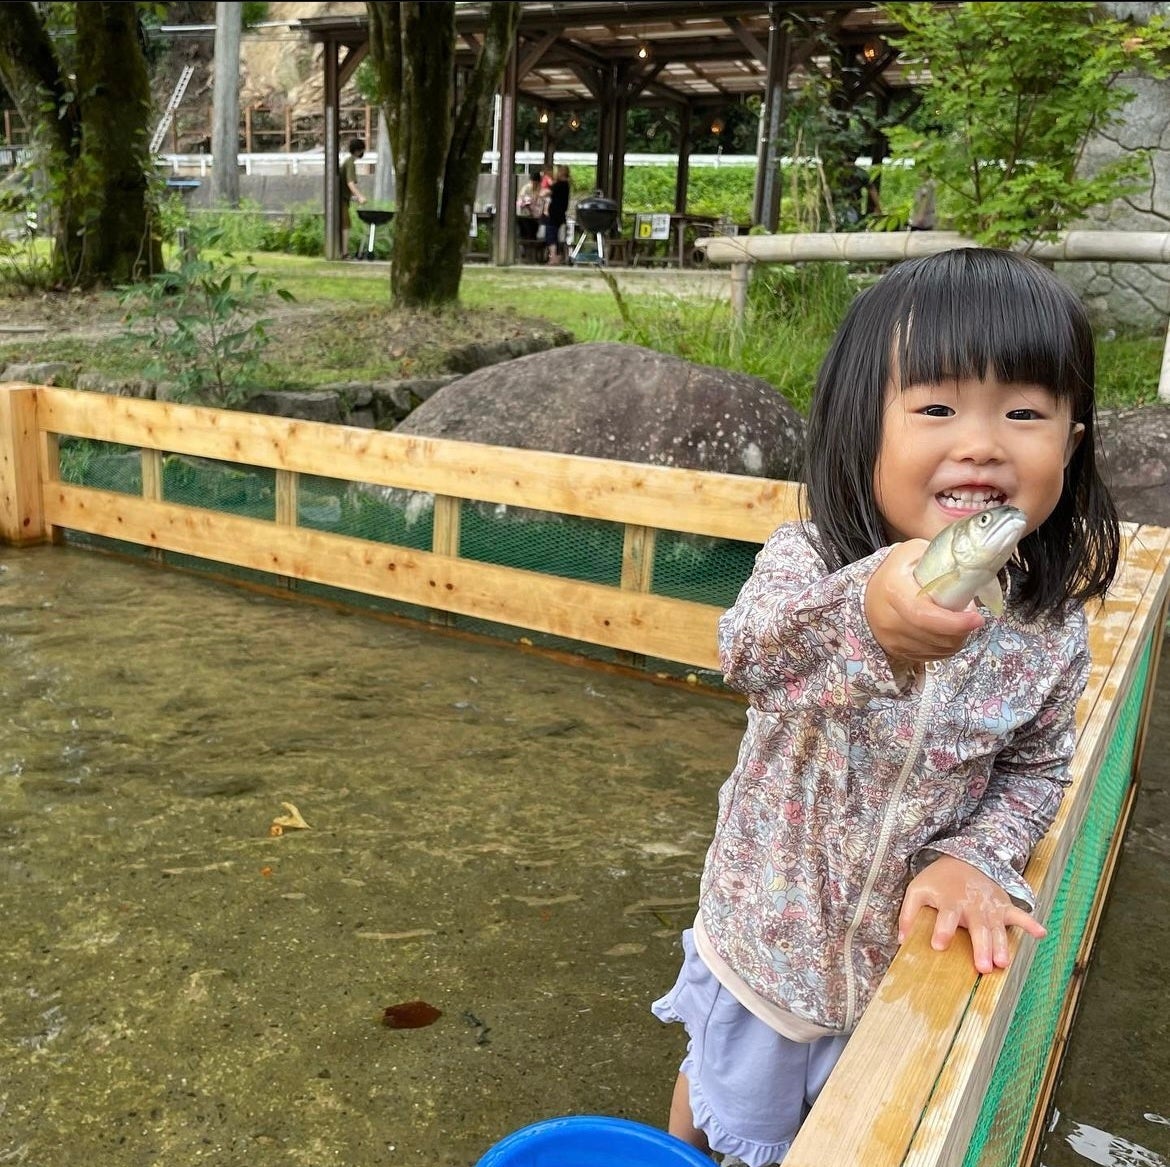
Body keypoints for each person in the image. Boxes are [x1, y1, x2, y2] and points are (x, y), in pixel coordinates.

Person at [651, 248, 1120, 1167]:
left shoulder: (1047, 626)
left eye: (1025, 412)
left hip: (894, 979)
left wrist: (972, 855)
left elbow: (1034, 768)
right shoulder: (811, 562)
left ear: (1071, 440)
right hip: (765, 943)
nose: (983, 443)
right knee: (719, 1092)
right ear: (865, 429)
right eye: (937, 408)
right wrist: (864, 616)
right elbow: (746, 654)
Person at [339, 137, 367, 258]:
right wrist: (360, 196)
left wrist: (353, 198)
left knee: (344, 224)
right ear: (358, 151)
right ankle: (344, 253)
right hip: (341, 200)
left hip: (343, 198)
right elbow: (350, 183)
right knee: (345, 224)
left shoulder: (347, 162)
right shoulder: (350, 164)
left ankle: (342, 251)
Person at [545, 164, 571, 265]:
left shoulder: (559, 184)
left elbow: (547, 191)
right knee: (558, 236)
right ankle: (558, 256)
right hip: (561, 213)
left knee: (551, 235)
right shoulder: (566, 185)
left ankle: (553, 257)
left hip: (554, 213)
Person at [515, 168, 545, 254]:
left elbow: (541, 201)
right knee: (524, 233)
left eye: (536, 182)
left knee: (533, 234)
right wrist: (527, 204)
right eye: (533, 182)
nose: (534, 184)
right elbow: (520, 200)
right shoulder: (526, 188)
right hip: (524, 215)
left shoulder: (540, 189)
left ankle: (532, 253)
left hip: (535, 216)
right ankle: (524, 252)